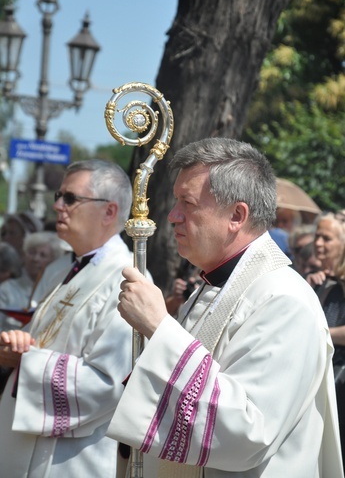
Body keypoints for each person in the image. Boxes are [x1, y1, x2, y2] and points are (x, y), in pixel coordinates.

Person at [107, 138, 343, 478]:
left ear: (236, 215)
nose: (172, 216)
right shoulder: (210, 288)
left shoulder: (284, 300)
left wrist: (160, 328)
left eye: (186, 203)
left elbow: (249, 431)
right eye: (176, 202)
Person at [0, 159, 134, 477]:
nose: (58, 205)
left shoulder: (129, 280)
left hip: (71, 457)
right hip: (20, 438)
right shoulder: (59, 269)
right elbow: (40, 339)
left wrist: (28, 362)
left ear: (109, 211)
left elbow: (110, 383)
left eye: (71, 198)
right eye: (59, 196)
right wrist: (13, 346)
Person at [310, 213, 345, 470]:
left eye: (327, 238)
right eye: (317, 236)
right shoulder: (321, 280)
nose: (318, 244)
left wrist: (322, 334)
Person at [0, 231, 64, 330]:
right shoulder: (6, 289)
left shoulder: (56, 292)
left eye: (43, 255)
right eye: (32, 252)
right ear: (24, 254)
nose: (35, 259)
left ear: (53, 261)